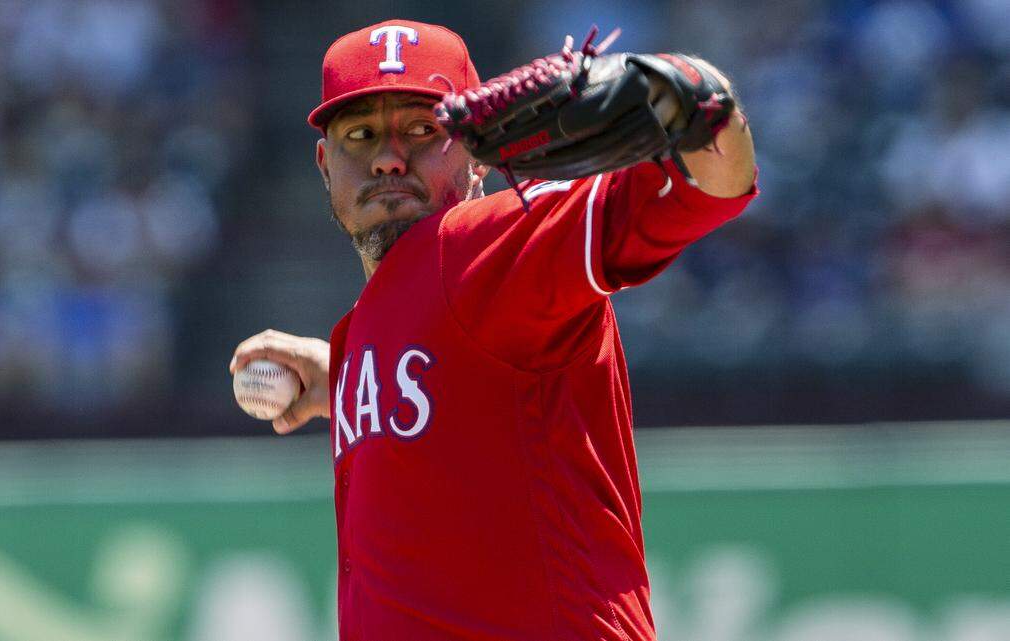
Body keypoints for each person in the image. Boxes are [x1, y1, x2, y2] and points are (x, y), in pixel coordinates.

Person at [230, 19, 756, 641]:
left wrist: (698, 98)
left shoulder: (484, 244)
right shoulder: (378, 320)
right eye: (360, 134)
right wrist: (344, 373)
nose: (388, 157)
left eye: (422, 130)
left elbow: (705, 190)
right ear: (324, 162)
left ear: (476, 150)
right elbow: (455, 369)